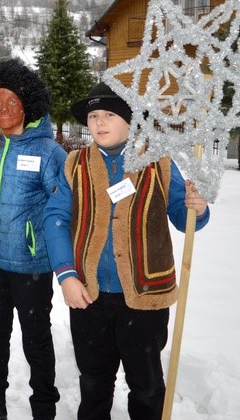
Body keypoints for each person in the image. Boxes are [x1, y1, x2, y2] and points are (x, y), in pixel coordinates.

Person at [43, 82, 210, 420]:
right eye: (92, 116)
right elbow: (56, 218)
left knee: (146, 386)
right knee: (93, 382)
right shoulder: (74, 165)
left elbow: (185, 218)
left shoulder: (159, 164)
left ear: (131, 120)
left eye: (109, 115)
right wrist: (66, 275)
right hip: (88, 296)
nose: (99, 123)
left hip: (145, 298)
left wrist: (198, 207)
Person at [0, 59, 64, 420]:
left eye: (11, 102)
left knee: (36, 338)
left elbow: (60, 204)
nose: (3, 109)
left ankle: (43, 409)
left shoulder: (48, 151)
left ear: (27, 104)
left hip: (32, 264)